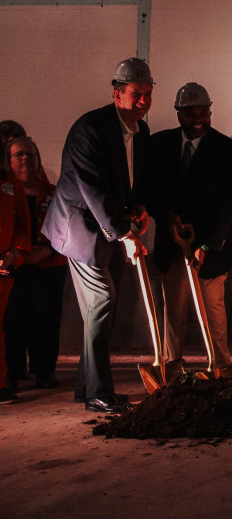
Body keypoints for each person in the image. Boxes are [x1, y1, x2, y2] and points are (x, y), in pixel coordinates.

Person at [41, 58, 153, 413]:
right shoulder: (90, 129)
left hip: (110, 229)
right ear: (117, 93)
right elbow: (93, 189)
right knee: (102, 301)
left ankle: (86, 387)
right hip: (80, 229)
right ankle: (98, 394)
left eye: (148, 94)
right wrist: (125, 235)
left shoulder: (141, 131)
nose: (143, 102)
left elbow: (130, 178)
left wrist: (139, 207)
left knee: (100, 308)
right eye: (136, 94)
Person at [146, 83, 232, 379]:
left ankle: (220, 368)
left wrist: (206, 246)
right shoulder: (159, 146)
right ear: (179, 113)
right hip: (171, 243)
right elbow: (151, 190)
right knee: (173, 312)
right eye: (191, 113)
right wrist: (167, 215)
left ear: (210, 112)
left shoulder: (227, 151)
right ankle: (172, 369)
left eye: (204, 112)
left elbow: (228, 204)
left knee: (212, 311)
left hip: (210, 249)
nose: (198, 118)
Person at [3, 137, 67, 392]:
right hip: (14, 265)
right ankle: (13, 371)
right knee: (13, 320)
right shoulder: (4, 192)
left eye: (30, 154)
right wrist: (17, 253)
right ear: (8, 161)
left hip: (49, 264)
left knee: (46, 319)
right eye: (19, 155)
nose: (25, 159)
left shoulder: (54, 193)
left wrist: (48, 250)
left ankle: (44, 371)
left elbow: (66, 225)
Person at [0, 165, 31, 404]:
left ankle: (1, 383)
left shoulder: (10, 182)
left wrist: (14, 253)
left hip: (5, 264)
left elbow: (23, 223)